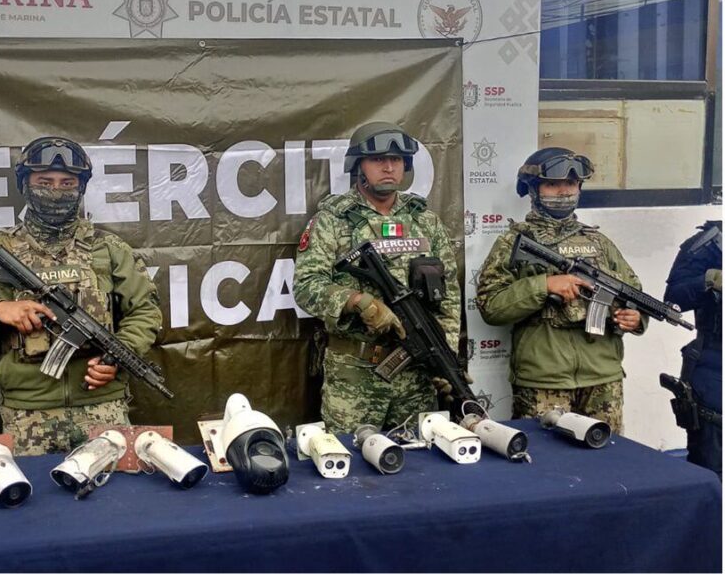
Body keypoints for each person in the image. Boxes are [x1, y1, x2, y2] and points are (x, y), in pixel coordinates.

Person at [0, 136, 162, 456]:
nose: (56, 191)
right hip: (27, 414)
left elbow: (145, 310)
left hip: (103, 407)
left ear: (81, 187)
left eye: (67, 182)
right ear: (25, 184)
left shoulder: (109, 249)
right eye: (45, 182)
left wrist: (117, 356)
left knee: (112, 487)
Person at [293, 122, 462, 434]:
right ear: (359, 165)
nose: (388, 167)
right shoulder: (332, 220)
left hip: (415, 379)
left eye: (396, 160)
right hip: (354, 378)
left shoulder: (425, 222)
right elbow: (306, 286)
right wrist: (359, 302)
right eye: (378, 160)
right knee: (350, 458)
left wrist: (442, 357)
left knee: (419, 456)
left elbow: (449, 297)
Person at [476, 147, 645, 433]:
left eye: (570, 183)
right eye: (552, 184)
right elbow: (491, 306)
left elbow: (633, 292)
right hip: (544, 381)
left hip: (603, 379)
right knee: (544, 461)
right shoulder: (513, 242)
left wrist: (636, 319)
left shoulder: (599, 243)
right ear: (533, 189)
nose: (564, 191)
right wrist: (543, 285)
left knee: (609, 456)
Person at [664, 221, 721, 477]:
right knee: (711, 471)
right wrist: (709, 279)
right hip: (715, 370)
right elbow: (673, 299)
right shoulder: (710, 244)